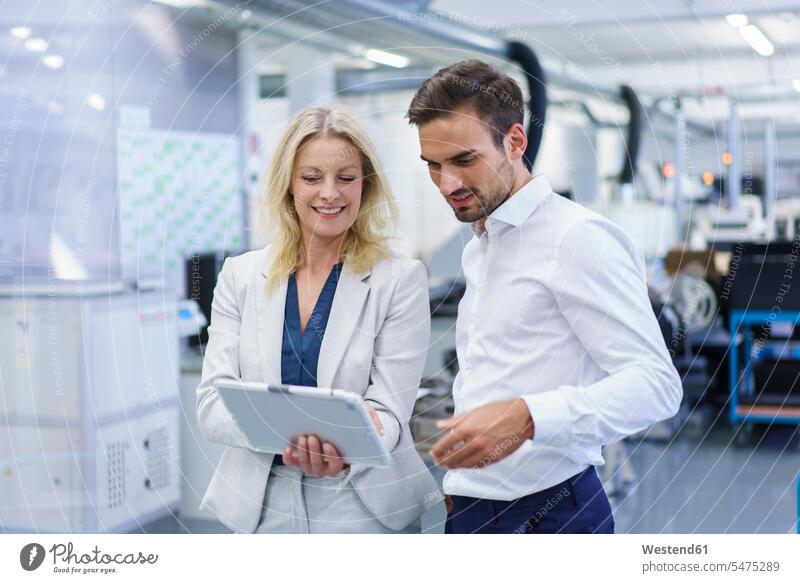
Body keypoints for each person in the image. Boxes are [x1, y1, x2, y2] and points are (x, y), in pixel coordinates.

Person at [406, 60, 683, 534]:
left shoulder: (577, 238)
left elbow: (657, 386)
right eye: (433, 165)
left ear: (515, 142)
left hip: (553, 512)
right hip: (472, 503)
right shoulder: (481, 243)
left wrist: (530, 417)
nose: (446, 184)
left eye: (463, 160)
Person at [197, 104, 442, 533]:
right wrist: (292, 437)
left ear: (366, 186)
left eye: (346, 178)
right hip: (262, 504)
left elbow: (388, 411)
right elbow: (212, 403)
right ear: (288, 185)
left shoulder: (399, 279)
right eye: (312, 178)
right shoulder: (240, 276)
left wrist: (339, 444)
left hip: (363, 504)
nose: (330, 193)